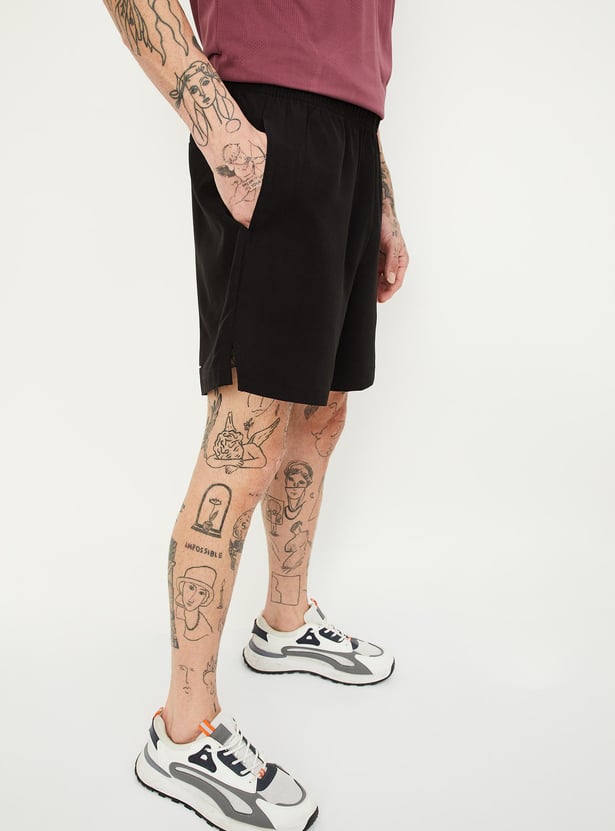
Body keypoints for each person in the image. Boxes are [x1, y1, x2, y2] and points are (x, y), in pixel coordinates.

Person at [102, 2, 408, 829]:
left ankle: (283, 622)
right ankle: (183, 729)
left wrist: (378, 189)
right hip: (267, 121)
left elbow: (355, 45)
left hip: (351, 136)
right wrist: (221, 129)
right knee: (248, 428)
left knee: (323, 409)